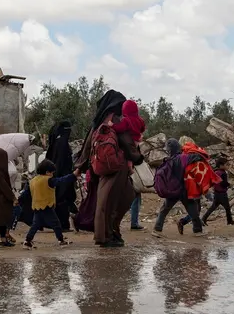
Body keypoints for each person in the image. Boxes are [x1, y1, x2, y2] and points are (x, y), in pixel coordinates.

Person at [74, 90, 144, 247]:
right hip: (116, 166)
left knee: (111, 199)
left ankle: (111, 233)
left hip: (100, 167)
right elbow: (126, 141)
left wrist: (81, 166)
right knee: (114, 201)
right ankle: (106, 236)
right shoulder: (115, 119)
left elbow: (87, 147)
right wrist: (137, 157)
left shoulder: (98, 121)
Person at [152, 139, 218, 237]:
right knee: (193, 210)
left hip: (173, 189)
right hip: (184, 189)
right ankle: (198, 231)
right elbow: (198, 156)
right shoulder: (183, 158)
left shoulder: (168, 160)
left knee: (165, 209)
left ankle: (157, 229)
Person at [20, 159, 79, 249]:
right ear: (47, 172)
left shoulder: (32, 181)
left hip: (36, 206)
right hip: (47, 206)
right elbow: (61, 181)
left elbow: (25, 193)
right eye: (52, 173)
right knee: (56, 224)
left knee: (35, 225)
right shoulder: (48, 180)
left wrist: (18, 200)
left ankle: (27, 241)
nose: (52, 175)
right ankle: (61, 240)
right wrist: (73, 175)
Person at [45, 121, 76, 232]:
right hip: (63, 176)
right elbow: (61, 162)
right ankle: (63, 225)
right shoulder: (62, 143)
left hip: (57, 176)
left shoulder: (56, 142)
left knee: (60, 200)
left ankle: (60, 224)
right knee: (63, 201)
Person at [201, 157, 234, 226]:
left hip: (216, 193)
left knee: (213, 207)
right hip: (222, 194)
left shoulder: (216, 172)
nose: (228, 166)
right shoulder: (223, 173)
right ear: (221, 165)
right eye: (227, 164)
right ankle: (230, 221)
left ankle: (203, 219)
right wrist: (229, 185)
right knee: (227, 208)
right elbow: (223, 183)